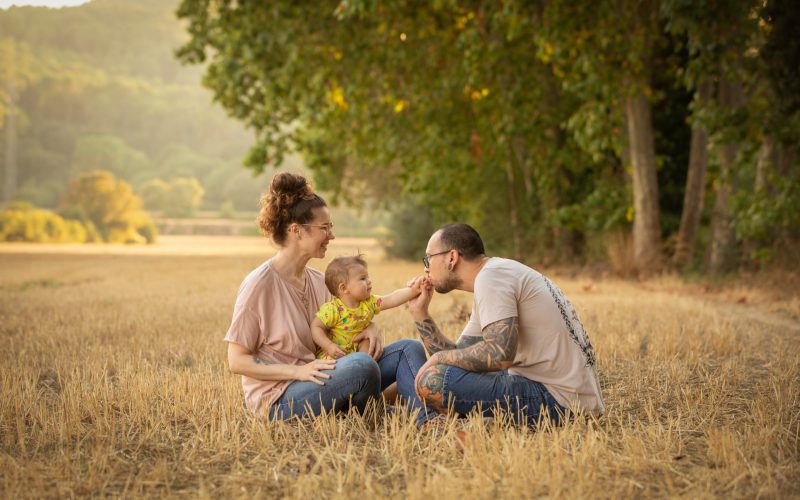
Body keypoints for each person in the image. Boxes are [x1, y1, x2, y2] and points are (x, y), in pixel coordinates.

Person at [224, 171, 439, 425]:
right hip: (280, 398)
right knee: (361, 365)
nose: (332, 236)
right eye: (324, 228)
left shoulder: (318, 280)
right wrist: (297, 371)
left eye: (331, 228)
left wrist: (370, 325)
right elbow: (237, 361)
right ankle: (377, 412)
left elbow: (345, 315)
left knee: (408, 349)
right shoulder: (259, 285)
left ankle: (428, 421)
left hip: (324, 378)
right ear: (297, 231)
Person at [407, 223, 604, 425]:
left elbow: (499, 355)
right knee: (442, 373)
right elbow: (460, 356)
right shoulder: (494, 274)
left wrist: (440, 357)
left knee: (432, 380)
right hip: (568, 397)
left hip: (560, 402)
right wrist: (420, 313)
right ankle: (483, 421)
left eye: (429, 258)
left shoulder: (491, 278)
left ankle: (474, 423)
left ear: (452, 257)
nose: (426, 267)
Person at [311, 255, 425, 360]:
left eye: (367, 277)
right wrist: (329, 346)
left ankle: (367, 368)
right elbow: (316, 327)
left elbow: (392, 298)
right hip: (336, 358)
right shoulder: (332, 309)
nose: (369, 281)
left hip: (359, 354)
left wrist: (414, 290)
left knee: (367, 341)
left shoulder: (369, 303)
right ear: (344, 288)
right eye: (362, 279)